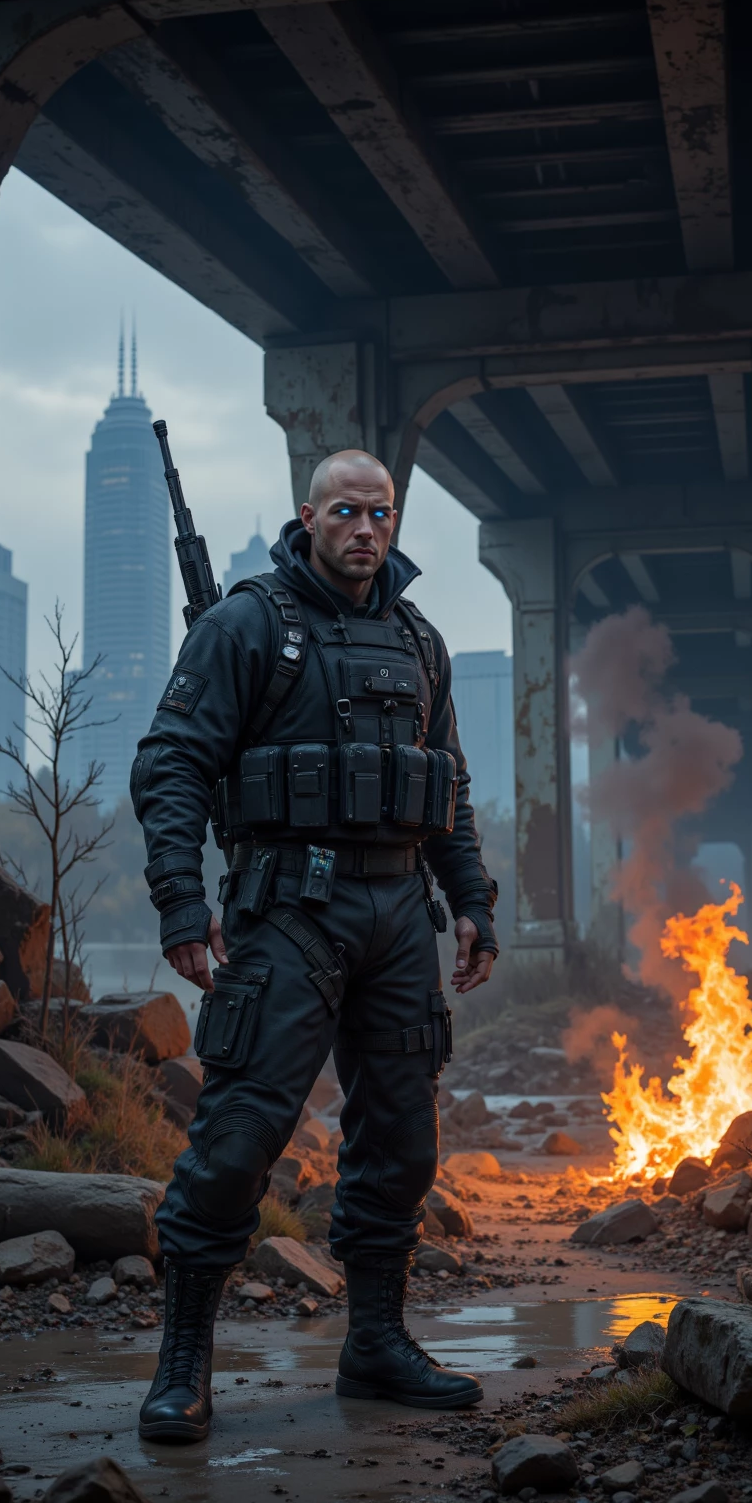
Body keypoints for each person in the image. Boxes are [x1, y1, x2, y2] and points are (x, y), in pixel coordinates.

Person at [130, 448, 498, 1443]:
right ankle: (182, 1367)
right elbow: (170, 763)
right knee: (237, 1140)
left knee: (402, 1147)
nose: (366, 529)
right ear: (309, 516)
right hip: (286, 916)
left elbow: (446, 788)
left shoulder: (419, 640)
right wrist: (178, 903)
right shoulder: (250, 624)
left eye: (380, 513)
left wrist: (472, 902)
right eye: (346, 511)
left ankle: (376, 1346)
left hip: (397, 921)